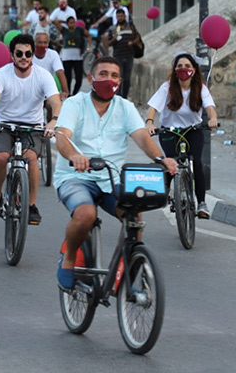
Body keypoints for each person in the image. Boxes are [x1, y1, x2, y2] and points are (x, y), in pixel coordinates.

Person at [54, 56, 177, 289]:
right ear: (91, 78)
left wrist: (162, 159)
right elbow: (62, 136)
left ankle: (129, 269)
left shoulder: (125, 107)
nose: (108, 80)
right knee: (85, 215)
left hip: (111, 180)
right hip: (76, 177)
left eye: (113, 76)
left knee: (134, 216)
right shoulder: (75, 104)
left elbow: (141, 136)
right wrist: (74, 156)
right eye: (102, 74)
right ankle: (69, 258)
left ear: (120, 81)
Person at [0, 34, 62, 225]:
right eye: (19, 53)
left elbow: (54, 100)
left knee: (31, 158)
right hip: (4, 125)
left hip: (32, 127)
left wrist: (54, 120)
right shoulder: (2, 74)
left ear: (33, 55)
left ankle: (31, 205)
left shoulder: (43, 75)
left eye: (28, 53)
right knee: (1, 157)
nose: (24, 57)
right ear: (12, 55)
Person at [145, 52, 218, 218]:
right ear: (174, 69)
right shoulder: (167, 87)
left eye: (187, 66)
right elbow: (153, 107)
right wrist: (150, 122)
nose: (183, 69)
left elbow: (210, 108)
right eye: (179, 66)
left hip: (193, 130)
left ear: (194, 70)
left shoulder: (200, 87)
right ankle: (164, 193)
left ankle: (201, 203)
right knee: (170, 161)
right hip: (169, 131)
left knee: (197, 163)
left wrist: (212, 118)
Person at [101, 9, 141, 99]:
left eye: (121, 16)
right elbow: (108, 44)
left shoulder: (130, 27)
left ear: (125, 16)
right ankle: (118, 96)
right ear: (116, 17)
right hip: (118, 56)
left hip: (129, 55)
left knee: (127, 78)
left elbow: (137, 37)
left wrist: (132, 42)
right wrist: (114, 39)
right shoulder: (113, 29)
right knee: (119, 77)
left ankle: (125, 97)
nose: (120, 18)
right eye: (118, 16)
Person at [60, 17, 92, 96]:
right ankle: (68, 93)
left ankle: (74, 93)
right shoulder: (64, 31)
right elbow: (55, 21)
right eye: (70, 23)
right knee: (68, 77)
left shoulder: (79, 30)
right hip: (67, 57)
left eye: (74, 22)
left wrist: (89, 46)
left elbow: (89, 35)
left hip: (78, 57)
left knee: (79, 78)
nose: (73, 24)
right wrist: (64, 21)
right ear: (67, 24)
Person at [32, 32, 68, 100]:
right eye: (40, 42)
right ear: (34, 43)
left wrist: (65, 91)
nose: (42, 45)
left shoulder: (53, 54)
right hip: (32, 90)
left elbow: (60, 72)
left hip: (48, 89)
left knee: (52, 105)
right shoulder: (29, 55)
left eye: (45, 42)